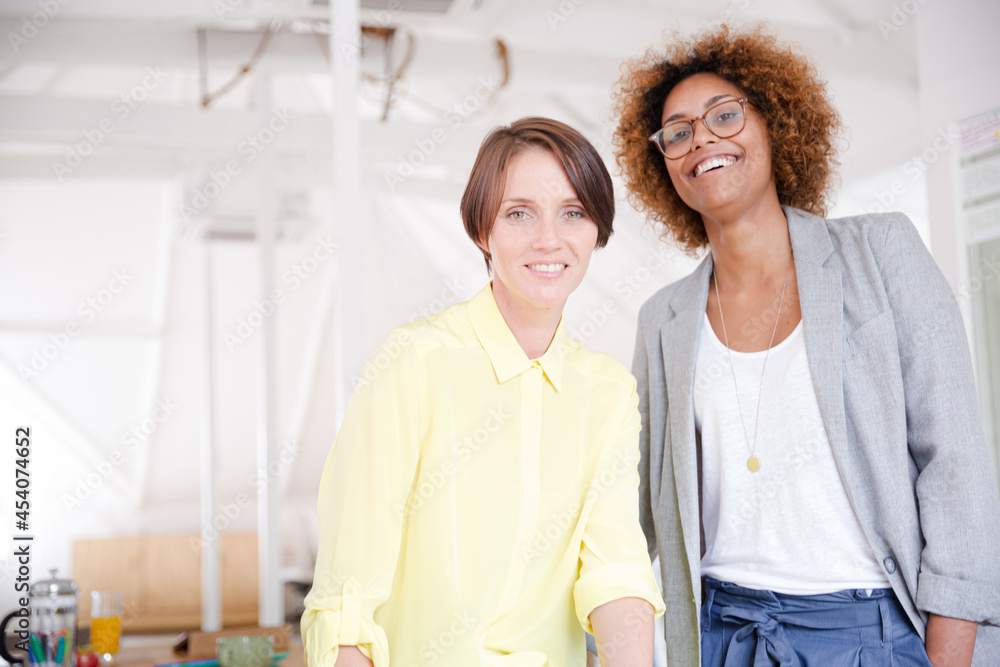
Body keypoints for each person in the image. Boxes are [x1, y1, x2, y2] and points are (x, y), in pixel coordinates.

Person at [613, 25, 1000, 667]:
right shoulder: (663, 319)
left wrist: (951, 656)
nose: (701, 138)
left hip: (874, 630)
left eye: (725, 115)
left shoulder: (881, 254)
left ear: (775, 125)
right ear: (665, 164)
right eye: (677, 132)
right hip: (725, 633)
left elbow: (954, 460)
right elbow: (634, 509)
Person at [301, 117, 664, 667]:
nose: (549, 239)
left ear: (597, 231)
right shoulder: (413, 363)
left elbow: (617, 573)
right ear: (481, 231)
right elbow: (348, 597)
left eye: (573, 213)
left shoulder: (607, 392)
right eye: (519, 213)